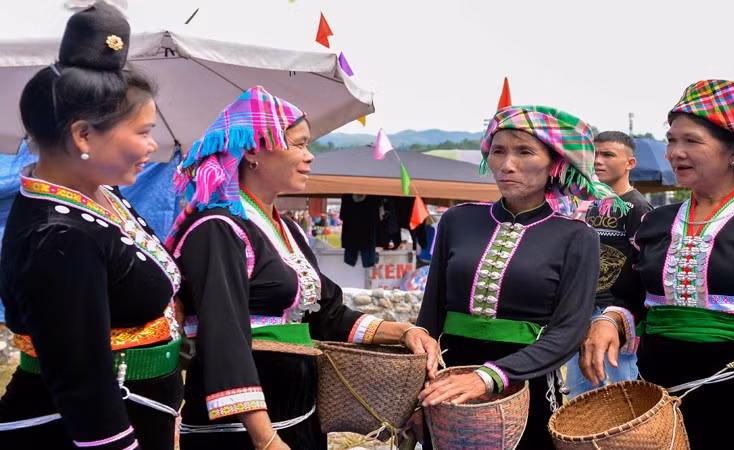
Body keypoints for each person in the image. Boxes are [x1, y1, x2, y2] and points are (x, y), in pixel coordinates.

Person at [167, 86, 438, 450]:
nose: (309, 157)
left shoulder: (288, 230)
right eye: (298, 144)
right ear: (251, 151)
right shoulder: (215, 229)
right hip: (242, 432)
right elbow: (224, 336)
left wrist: (403, 331)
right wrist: (265, 439)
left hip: (299, 418)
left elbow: (325, 314)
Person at [0, 4, 182, 449]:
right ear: (83, 135)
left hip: (142, 412)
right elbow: (81, 380)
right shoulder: (59, 237)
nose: (152, 145)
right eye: (142, 131)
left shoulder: (101, 197)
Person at [580, 80, 734, 449]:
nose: (674, 153)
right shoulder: (656, 223)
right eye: (671, 140)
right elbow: (631, 296)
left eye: (691, 141)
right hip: (658, 390)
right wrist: (608, 319)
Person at [417, 106, 625, 448]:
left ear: (555, 163)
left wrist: (489, 377)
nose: (506, 165)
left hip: (526, 383)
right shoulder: (457, 220)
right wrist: (416, 389)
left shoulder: (575, 236)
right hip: (445, 384)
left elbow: (568, 332)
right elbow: (429, 315)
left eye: (524, 152)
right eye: (498, 151)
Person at [565, 131, 652, 399]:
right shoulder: (593, 206)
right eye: (595, 155)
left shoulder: (638, 208)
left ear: (630, 163)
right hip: (585, 308)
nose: (598, 161)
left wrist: (627, 315)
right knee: (580, 392)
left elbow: (644, 267)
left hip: (615, 314)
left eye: (608, 155)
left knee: (619, 392)